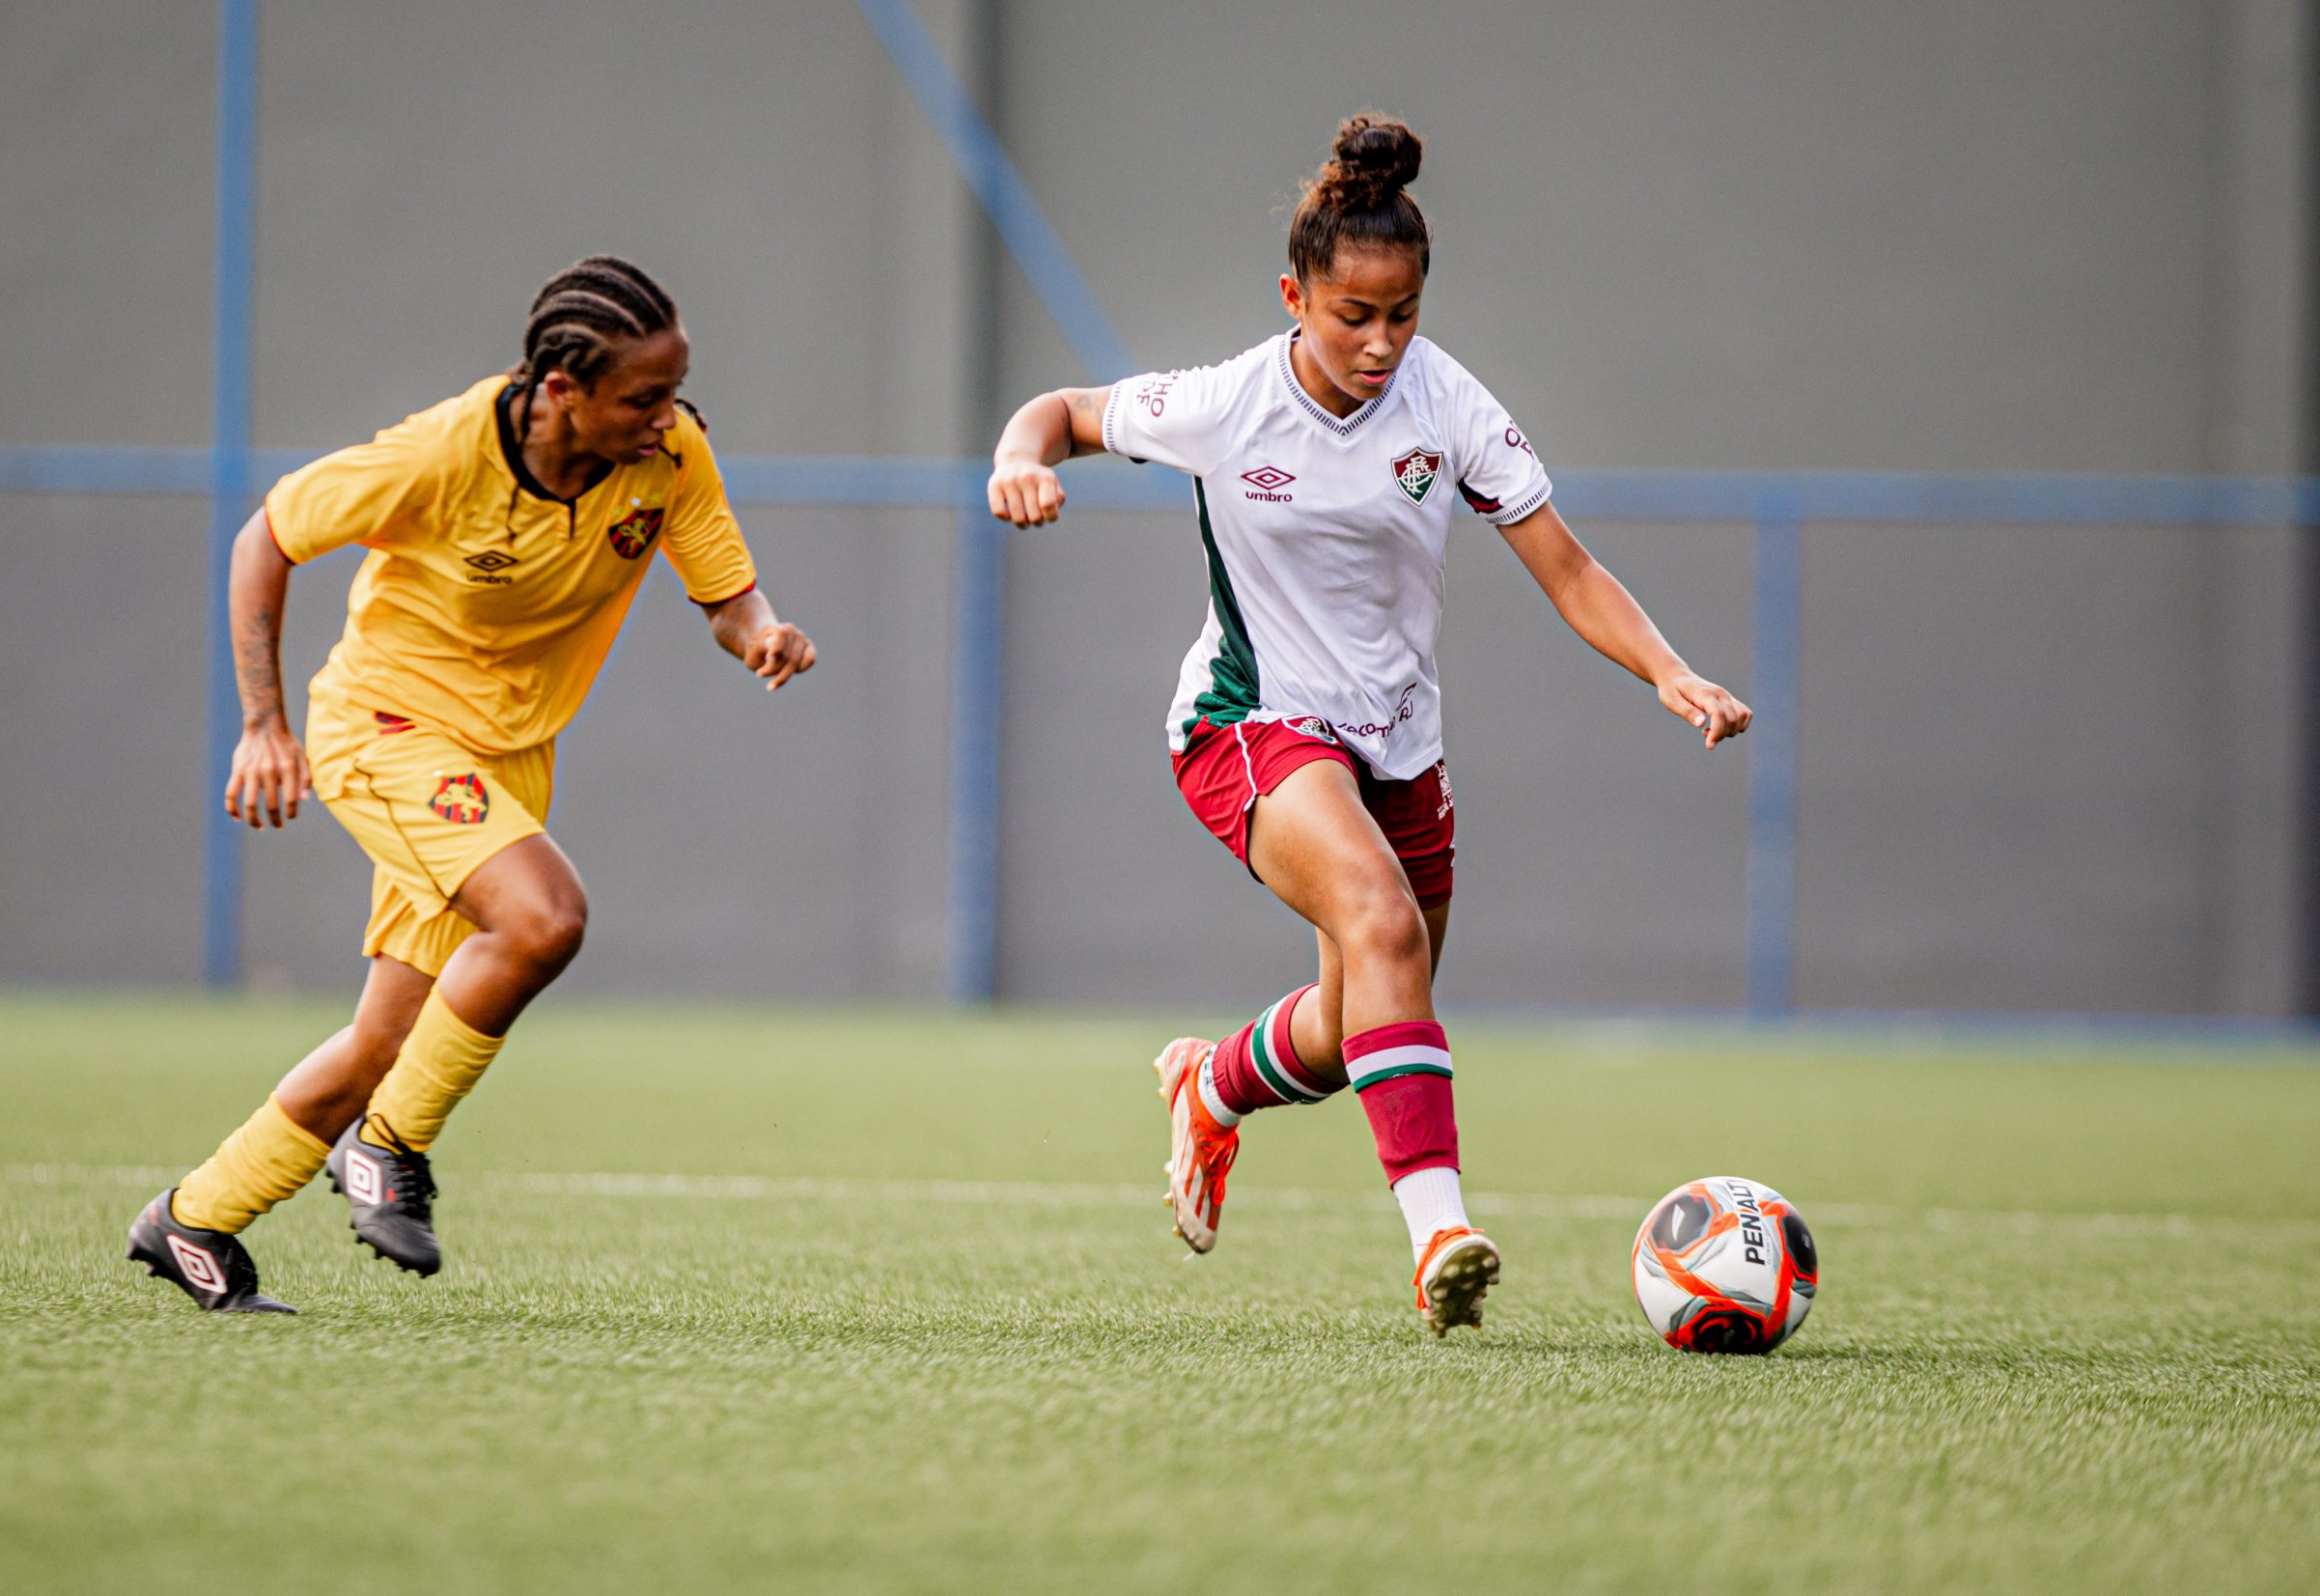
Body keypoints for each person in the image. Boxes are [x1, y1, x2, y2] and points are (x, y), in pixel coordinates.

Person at [985, 116, 1750, 1336]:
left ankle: (1210, 1082)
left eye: (1402, 314)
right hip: (1250, 722)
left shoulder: (1448, 404)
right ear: (1295, 296)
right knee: (1378, 919)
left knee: (1361, 1020)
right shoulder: (1228, 402)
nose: (1381, 342)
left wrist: (1667, 670)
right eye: (1353, 316)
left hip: (1399, 741)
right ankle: (1439, 1234)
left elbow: (1565, 567)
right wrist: (1015, 465)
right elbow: (1059, 411)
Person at [127, 256, 816, 1313]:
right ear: (560, 390)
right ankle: (390, 1148)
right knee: (545, 920)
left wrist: (762, 634)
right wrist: (263, 725)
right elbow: (265, 537)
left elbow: (725, 595)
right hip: (386, 728)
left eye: (673, 389)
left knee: (386, 1042)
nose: (664, 415)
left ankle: (194, 1218)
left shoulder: (669, 453)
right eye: (642, 395)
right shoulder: (441, 454)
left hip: (504, 757)